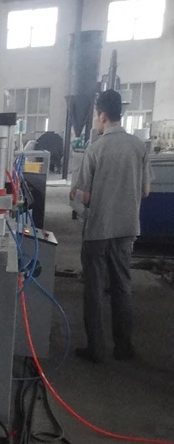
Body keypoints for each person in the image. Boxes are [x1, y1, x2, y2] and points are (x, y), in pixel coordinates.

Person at [69, 89, 151, 363]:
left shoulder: (95, 149)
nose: (95, 119)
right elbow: (146, 191)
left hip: (98, 230)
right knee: (121, 286)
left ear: (102, 115)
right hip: (126, 229)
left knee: (93, 290)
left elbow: (84, 196)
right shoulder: (139, 146)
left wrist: (76, 195)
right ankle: (123, 347)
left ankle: (96, 349)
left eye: (95, 115)